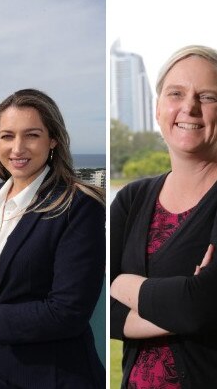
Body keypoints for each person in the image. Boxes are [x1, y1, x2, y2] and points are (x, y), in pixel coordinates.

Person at [0, 89, 106, 388]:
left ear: (52, 140)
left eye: (32, 135)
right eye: (7, 136)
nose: (17, 148)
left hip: (52, 375)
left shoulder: (78, 206)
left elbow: (67, 313)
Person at [110, 45, 217, 389]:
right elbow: (98, 309)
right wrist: (182, 301)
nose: (190, 107)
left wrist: (122, 283)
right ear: (158, 109)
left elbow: (199, 306)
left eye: (208, 96)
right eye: (176, 93)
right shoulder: (131, 199)